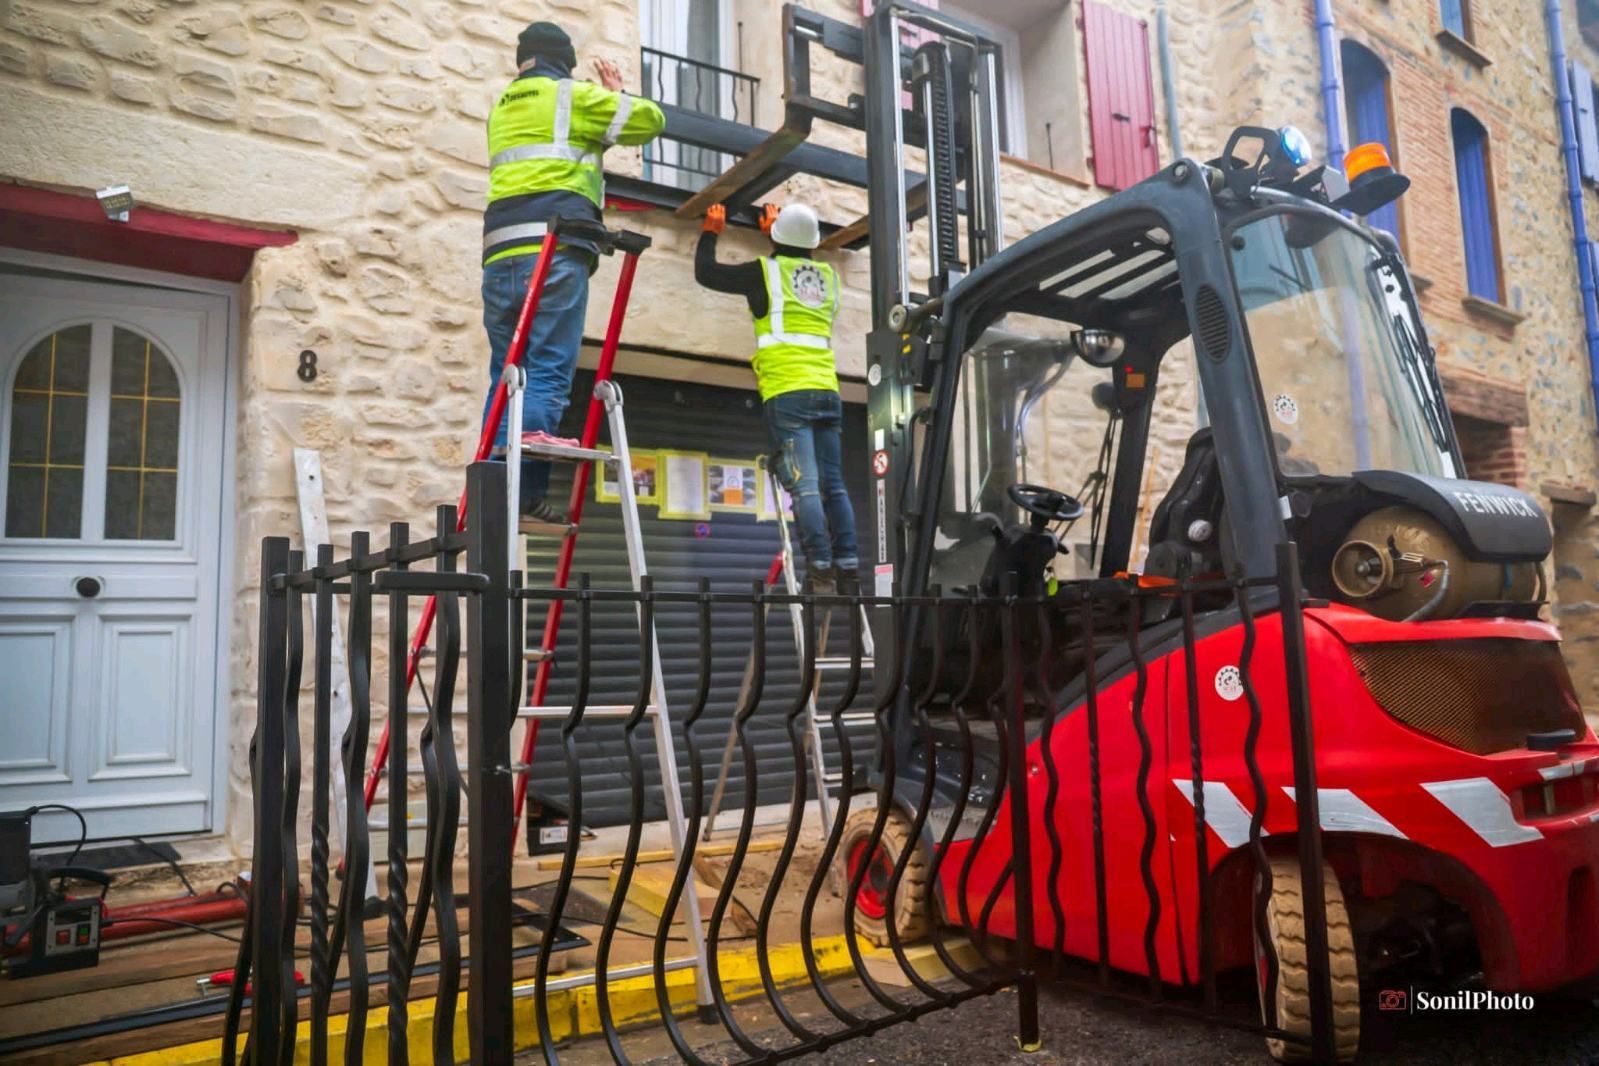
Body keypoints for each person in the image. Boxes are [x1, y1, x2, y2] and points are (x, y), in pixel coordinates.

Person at [481, 21, 664, 528]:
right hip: (554, 246)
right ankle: (522, 495)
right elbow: (648, 121)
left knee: (505, 375)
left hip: (499, 253)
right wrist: (616, 92)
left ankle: (498, 494)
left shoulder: (502, 106)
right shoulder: (572, 95)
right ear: (562, 60)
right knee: (547, 371)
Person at [695, 201, 859, 592]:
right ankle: (848, 564)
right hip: (827, 390)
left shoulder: (763, 273)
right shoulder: (829, 278)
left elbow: (707, 274)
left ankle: (820, 566)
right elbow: (793, 271)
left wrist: (710, 232)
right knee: (833, 484)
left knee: (804, 484)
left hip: (788, 392)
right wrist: (776, 236)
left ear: (776, 234)